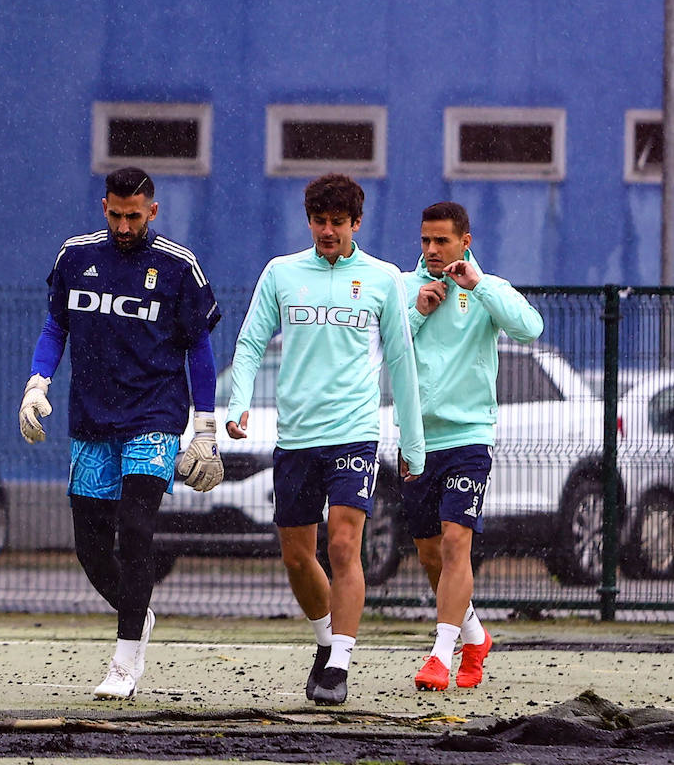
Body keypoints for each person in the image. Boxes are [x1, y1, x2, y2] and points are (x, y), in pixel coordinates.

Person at [18, 166, 223, 700]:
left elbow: (198, 348)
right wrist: (37, 382)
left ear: (152, 211)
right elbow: (56, 325)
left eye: (135, 215)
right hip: (91, 419)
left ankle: (125, 660)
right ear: (102, 207)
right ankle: (139, 611)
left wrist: (205, 426)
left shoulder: (180, 267)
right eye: (116, 214)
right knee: (90, 547)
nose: (125, 224)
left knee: (135, 529)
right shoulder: (75, 256)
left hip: (154, 416)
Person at [224, 173, 424, 706]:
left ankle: (340, 662)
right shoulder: (282, 273)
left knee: (342, 544)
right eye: (320, 221)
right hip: (297, 436)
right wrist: (238, 401)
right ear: (309, 220)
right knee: (296, 555)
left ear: (357, 223)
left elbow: (402, 363)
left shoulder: (382, 279)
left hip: (355, 433)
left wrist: (413, 440)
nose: (328, 230)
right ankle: (324, 640)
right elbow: (249, 342)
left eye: (338, 222)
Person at [403, 201, 542, 692]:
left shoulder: (487, 289)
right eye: (426, 240)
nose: (433, 250)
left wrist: (477, 286)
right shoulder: (405, 287)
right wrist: (419, 311)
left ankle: (441, 655)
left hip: (469, 438)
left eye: (442, 241)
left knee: (457, 540)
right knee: (430, 556)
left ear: (466, 241)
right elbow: (386, 344)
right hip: (419, 441)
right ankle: (476, 637)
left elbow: (531, 327)